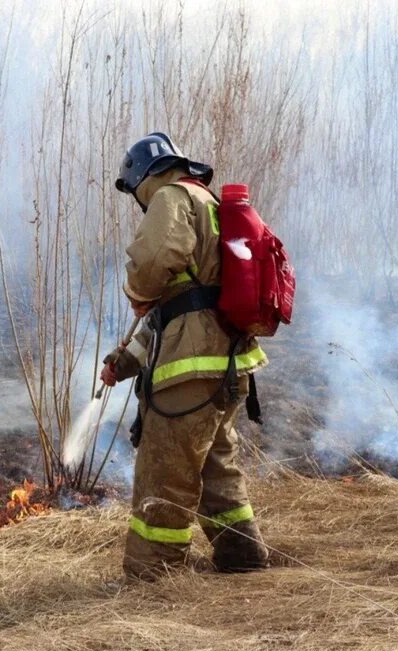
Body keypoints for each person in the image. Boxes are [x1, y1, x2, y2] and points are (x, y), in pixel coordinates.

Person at [101, 132, 270, 580]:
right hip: (227, 364)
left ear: (141, 176)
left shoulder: (171, 197)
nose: (137, 199)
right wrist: (126, 362)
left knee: (165, 470)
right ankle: (242, 555)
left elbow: (155, 259)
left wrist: (138, 290)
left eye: (133, 189)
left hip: (191, 369)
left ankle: (152, 574)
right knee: (216, 465)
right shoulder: (211, 204)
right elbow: (179, 313)